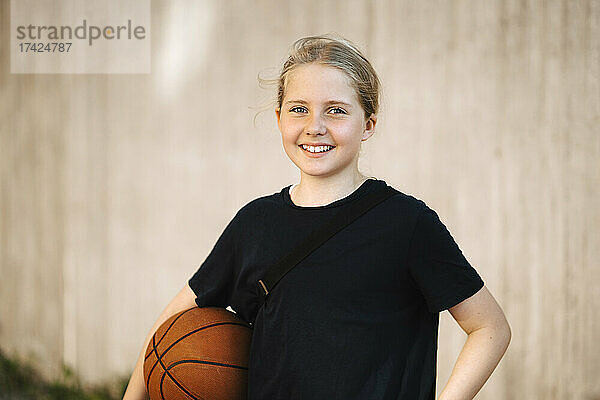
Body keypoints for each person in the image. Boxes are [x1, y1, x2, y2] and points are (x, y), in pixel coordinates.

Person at [123, 33, 511, 400]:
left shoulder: (407, 222)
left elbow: (489, 327)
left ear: (368, 124)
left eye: (336, 111)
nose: (315, 127)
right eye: (299, 109)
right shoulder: (254, 224)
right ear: (279, 119)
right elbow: (169, 325)